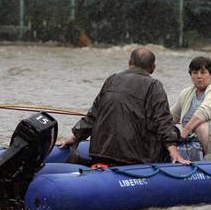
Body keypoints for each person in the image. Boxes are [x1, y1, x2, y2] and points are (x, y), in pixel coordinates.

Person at [57, 47, 190, 166]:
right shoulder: (153, 85)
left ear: (129, 63)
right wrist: (174, 152)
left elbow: (93, 115)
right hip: (134, 157)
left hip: (100, 152)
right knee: (173, 132)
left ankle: (83, 163)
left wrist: (74, 137)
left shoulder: (112, 79)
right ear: (153, 68)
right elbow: (163, 121)